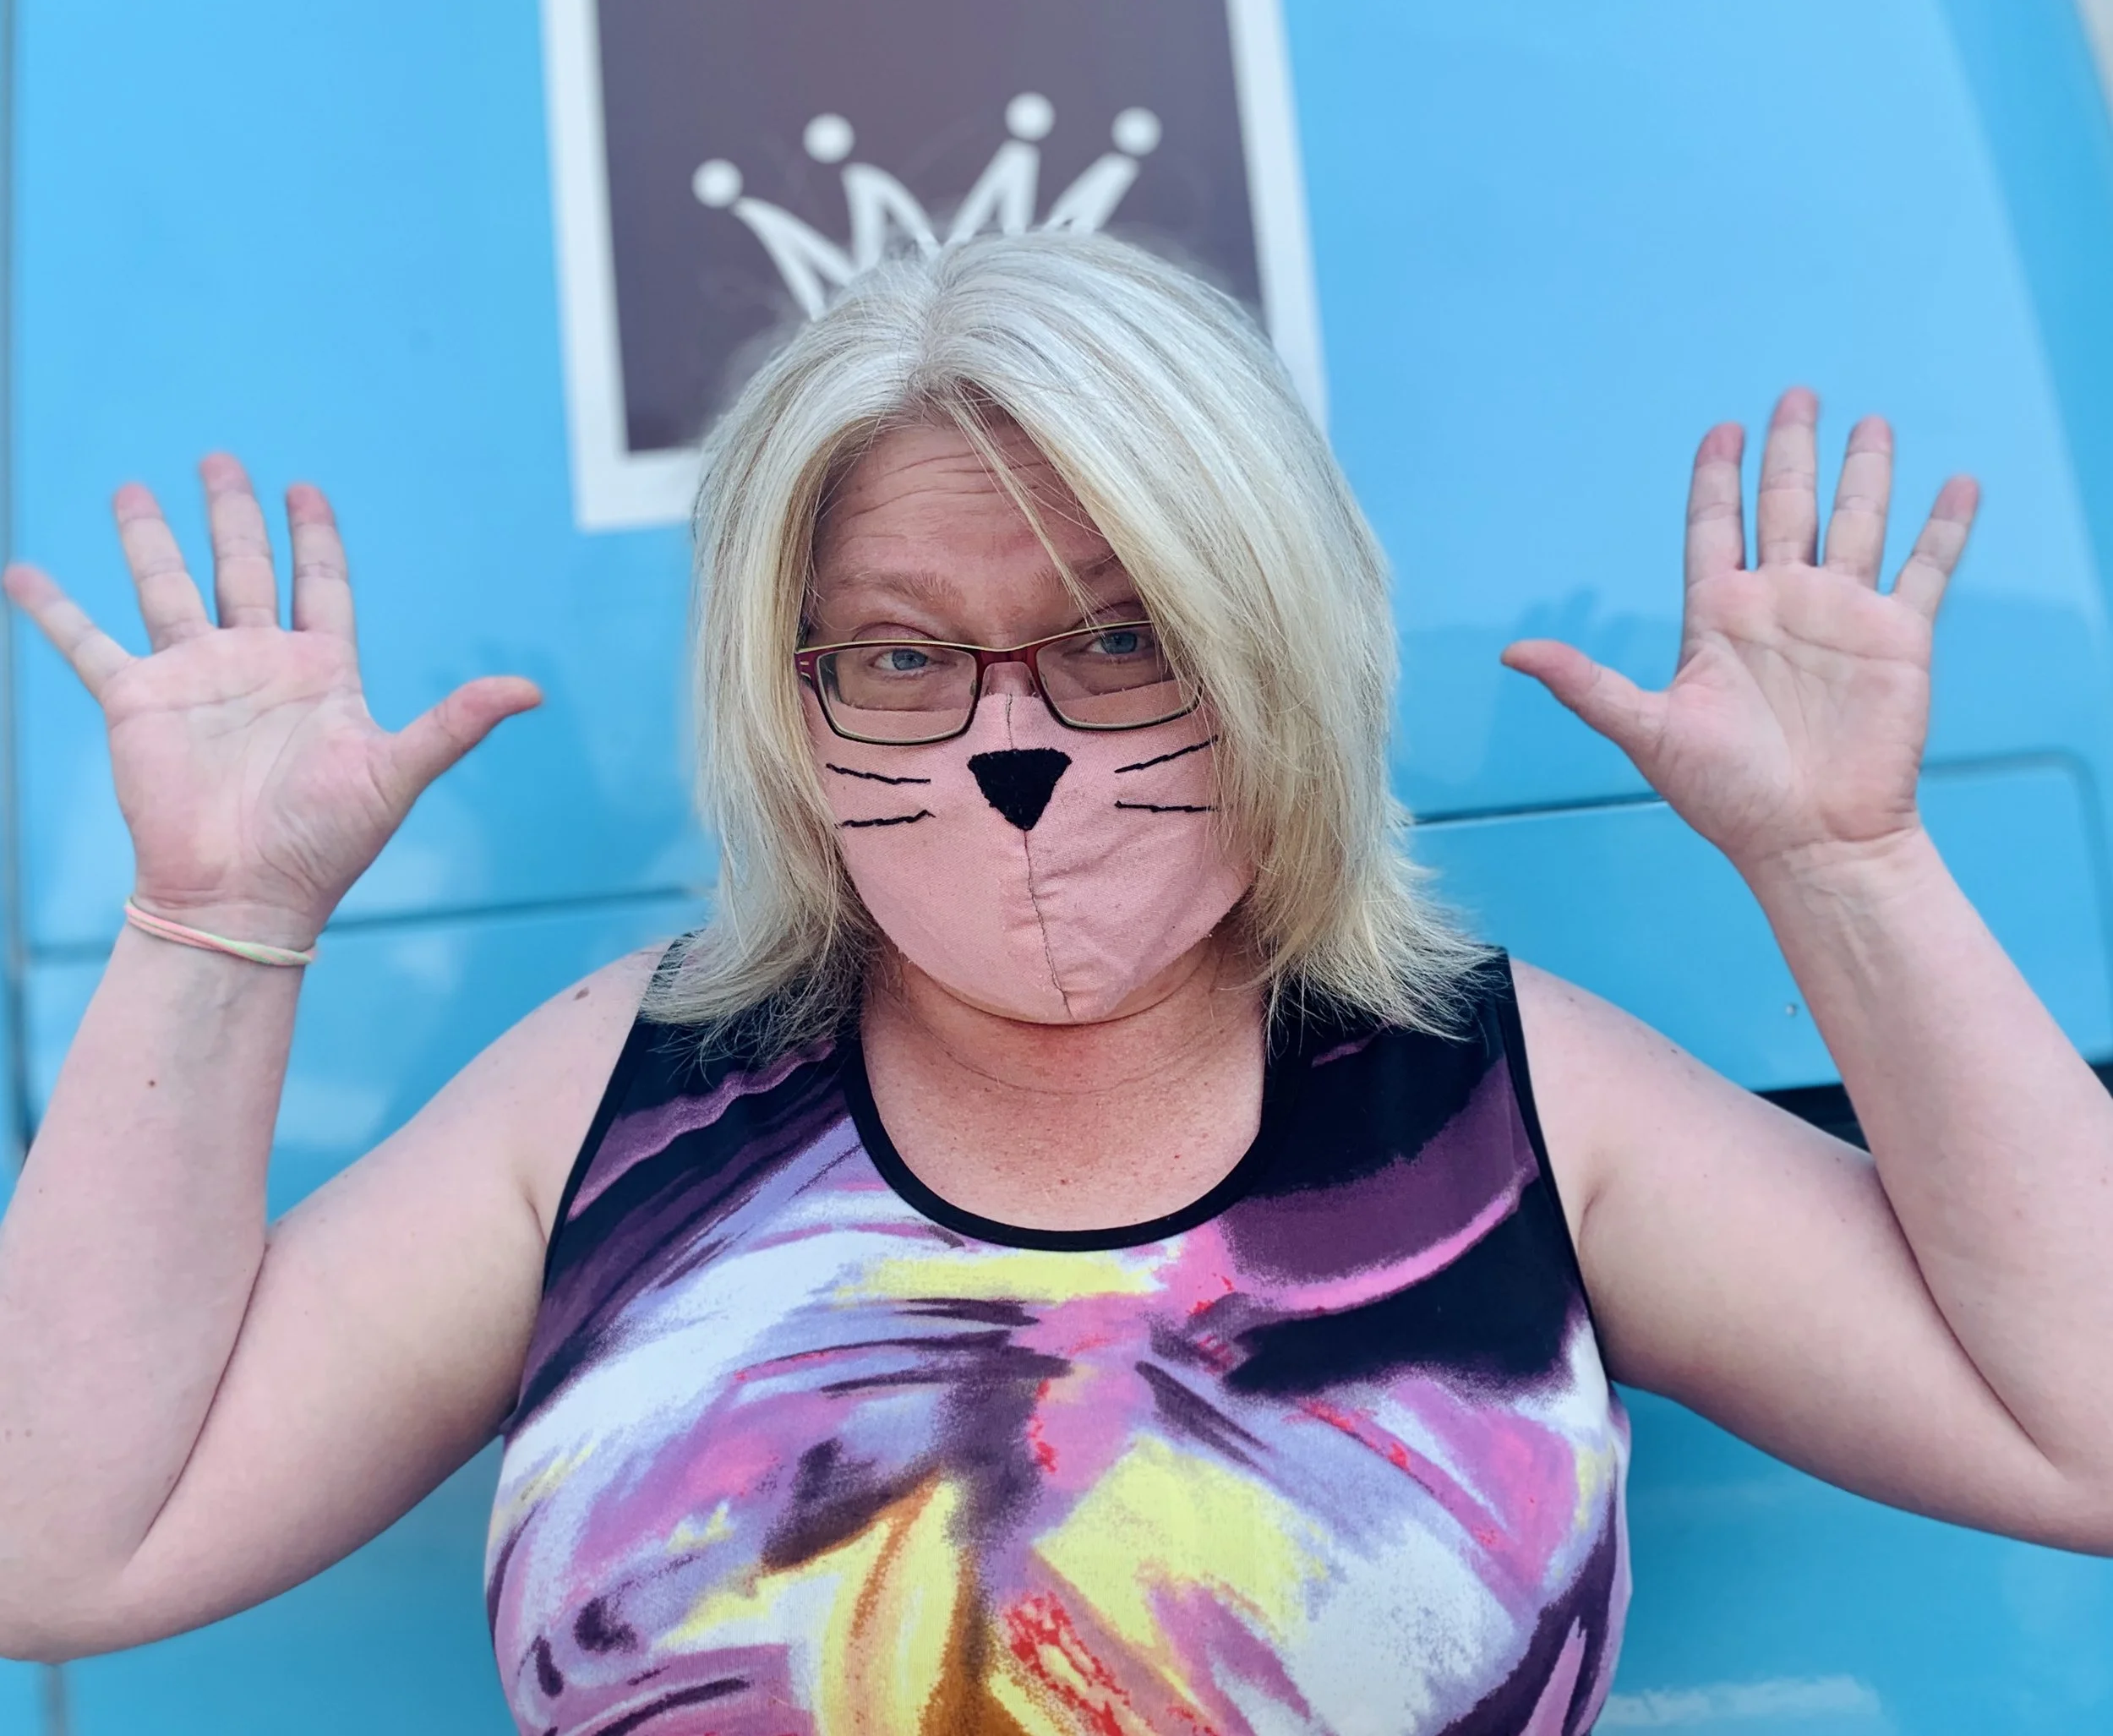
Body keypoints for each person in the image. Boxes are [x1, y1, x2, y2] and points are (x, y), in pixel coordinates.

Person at [0, 231, 2108, 1734]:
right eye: (902, 656)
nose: (1016, 744)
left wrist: (1845, 864)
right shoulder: (626, 1098)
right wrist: (212, 925)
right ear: (790, 699)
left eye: (1119, 638)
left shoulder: (1495, 1103)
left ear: (1265, 651)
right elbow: (59, 1551)